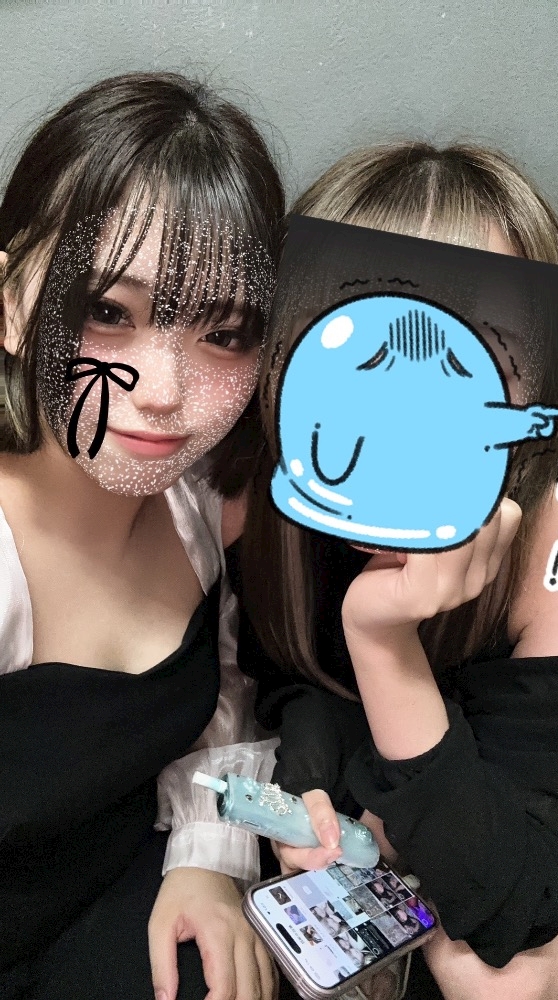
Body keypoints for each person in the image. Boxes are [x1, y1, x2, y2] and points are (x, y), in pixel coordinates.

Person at [225, 143, 558, 1000]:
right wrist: (309, 778)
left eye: (477, 349)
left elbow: (515, 903)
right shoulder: (289, 479)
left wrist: (382, 638)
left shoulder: (552, 528)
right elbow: (287, 675)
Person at [0, 71, 285, 1000]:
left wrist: (208, 858)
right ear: (9, 305)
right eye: (108, 312)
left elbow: (222, 705)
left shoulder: (198, 507)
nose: (162, 392)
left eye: (225, 333)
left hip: (121, 883)